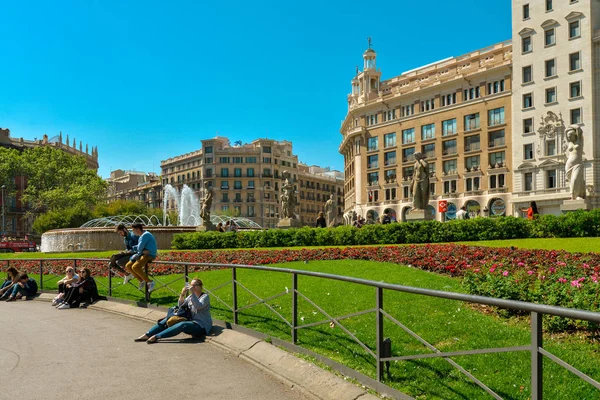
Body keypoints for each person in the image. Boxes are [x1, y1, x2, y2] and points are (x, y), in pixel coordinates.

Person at [135, 278, 212, 344]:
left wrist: (192, 293)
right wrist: (182, 294)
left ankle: (157, 336)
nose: (192, 287)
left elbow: (198, 306)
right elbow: (180, 305)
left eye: (195, 285)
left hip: (201, 326)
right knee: (167, 319)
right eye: (191, 285)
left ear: (200, 286)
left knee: (182, 324)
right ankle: (147, 334)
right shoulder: (190, 296)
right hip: (190, 321)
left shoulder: (205, 297)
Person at [125, 223, 158, 292]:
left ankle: (150, 282)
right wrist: (134, 250)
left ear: (138, 229)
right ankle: (141, 280)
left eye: (133, 230)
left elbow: (140, 248)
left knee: (135, 267)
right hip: (143, 254)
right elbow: (139, 247)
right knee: (128, 266)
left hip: (149, 255)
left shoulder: (145, 235)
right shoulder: (142, 235)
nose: (133, 232)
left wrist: (139, 251)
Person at [565, 125, 586, 200]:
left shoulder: (579, 141)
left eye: (570, 135)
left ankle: (577, 195)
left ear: (575, 135)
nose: (568, 137)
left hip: (578, 164)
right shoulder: (569, 143)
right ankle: (572, 196)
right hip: (569, 164)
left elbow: (578, 128)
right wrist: (567, 130)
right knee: (571, 181)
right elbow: (565, 132)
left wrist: (570, 126)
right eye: (568, 136)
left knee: (575, 179)